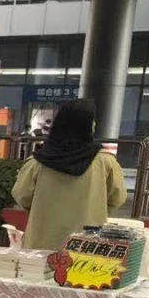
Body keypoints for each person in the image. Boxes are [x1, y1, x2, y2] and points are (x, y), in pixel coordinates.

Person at [12, 99, 127, 251]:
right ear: (88, 125)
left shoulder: (38, 161)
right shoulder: (105, 161)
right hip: (87, 246)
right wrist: (96, 211)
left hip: (41, 243)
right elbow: (118, 198)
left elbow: (21, 195)